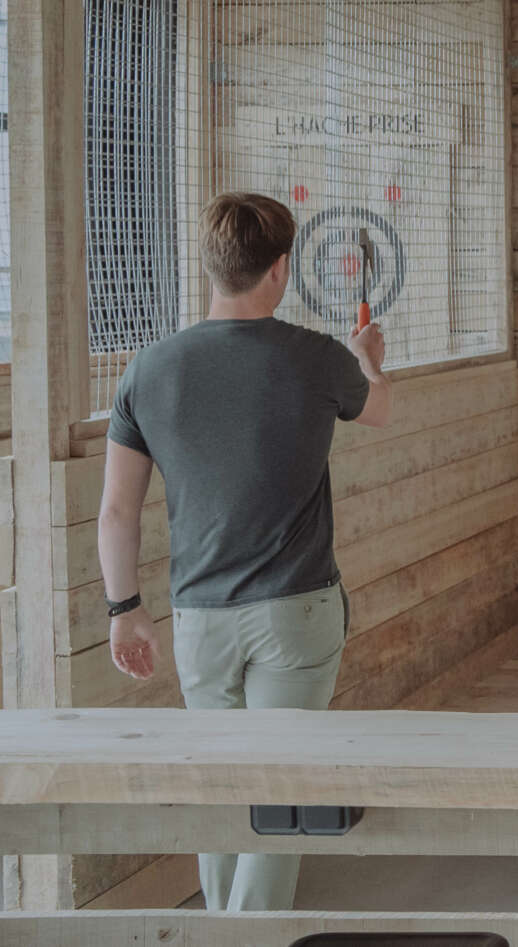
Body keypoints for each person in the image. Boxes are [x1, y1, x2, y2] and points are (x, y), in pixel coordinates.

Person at [99, 191, 396, 914]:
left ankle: (221, 931)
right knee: (277, 793)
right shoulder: (321, 358)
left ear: (210, 266)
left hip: (200, 619)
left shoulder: (149, 369)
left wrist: (124, 609)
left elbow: (116, 510)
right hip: (296, 614)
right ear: (280, 269)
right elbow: (381, 406)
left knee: (221, 789)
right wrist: (368, 358)